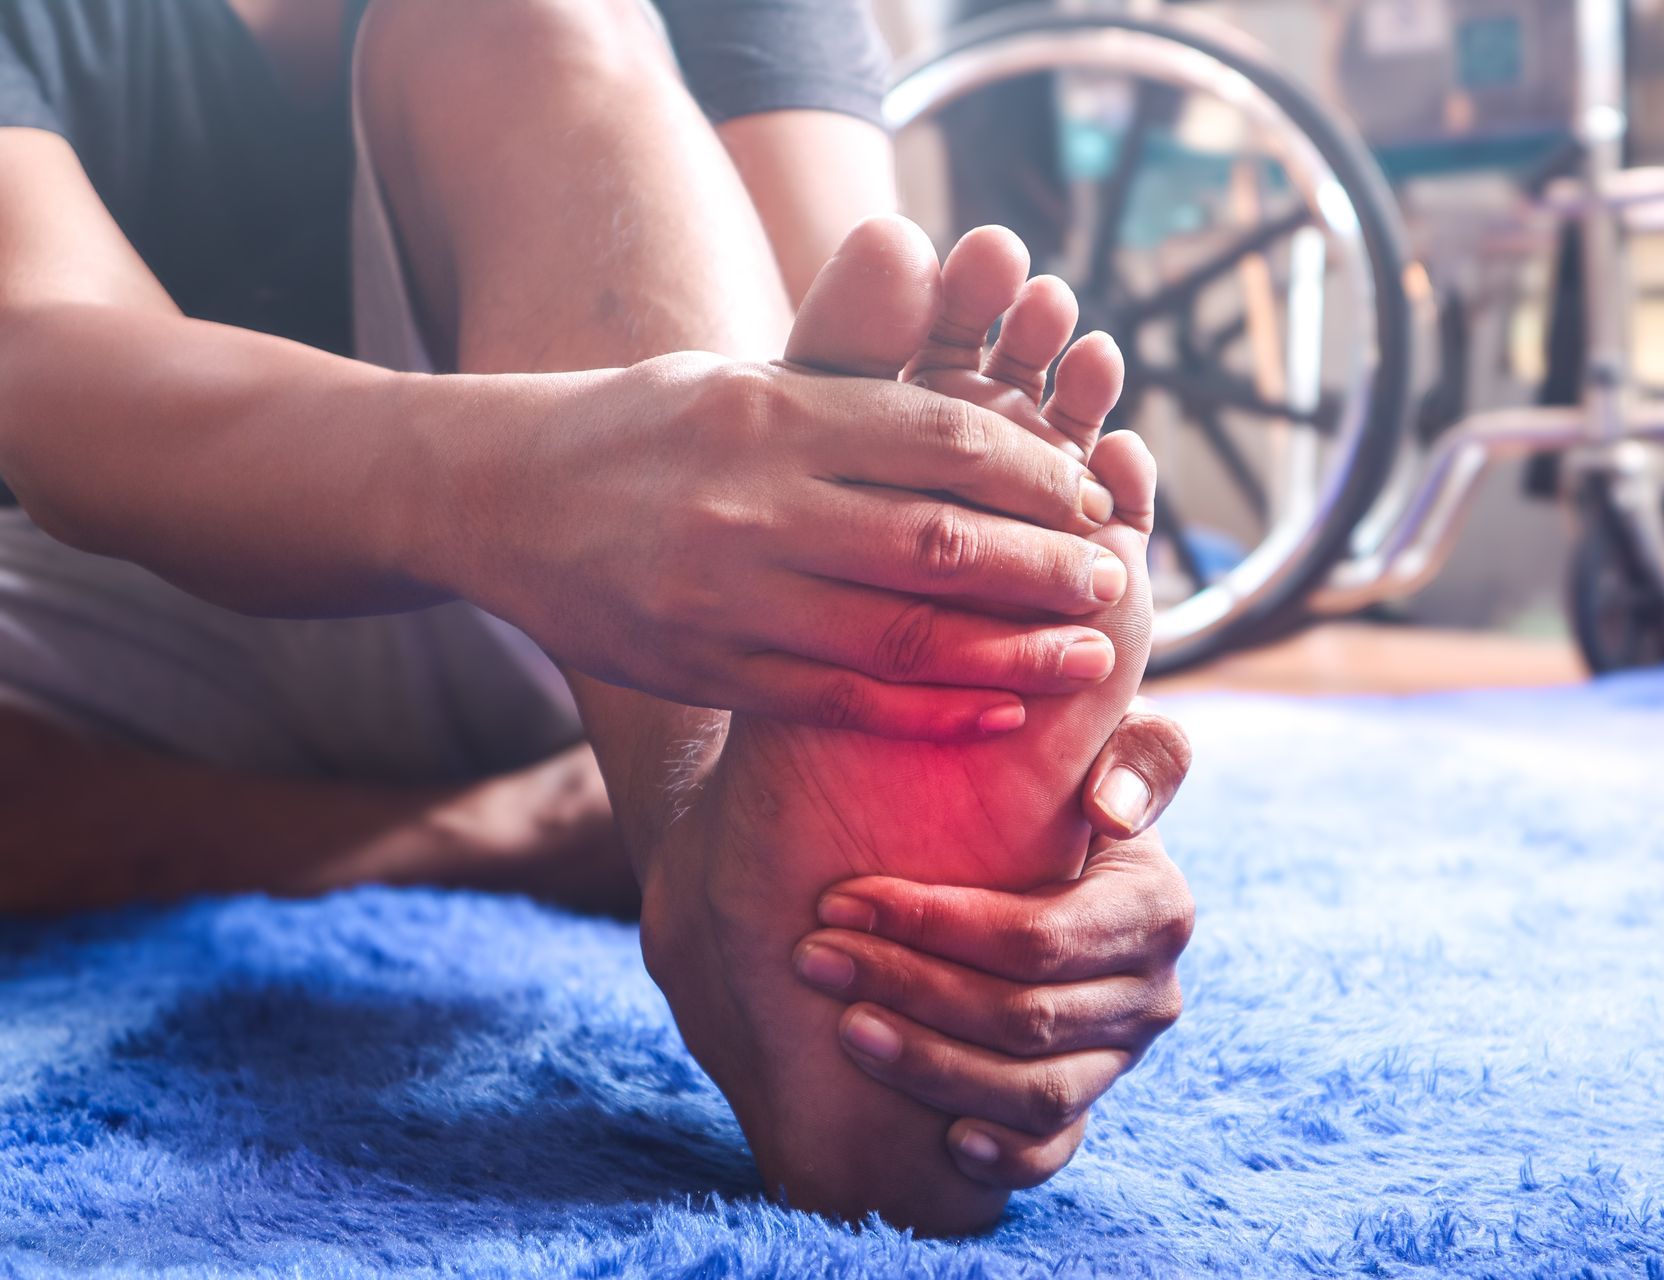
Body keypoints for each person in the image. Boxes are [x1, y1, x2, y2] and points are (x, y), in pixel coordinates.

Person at [0, 0, 1194, 1229]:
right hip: (105, 582)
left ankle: (724, 835)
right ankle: (627, 838)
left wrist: (963, 682)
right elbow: (33, 361)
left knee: (518, 20)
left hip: (623, 628)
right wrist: (504, 483)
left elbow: (854, 387)